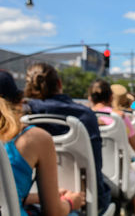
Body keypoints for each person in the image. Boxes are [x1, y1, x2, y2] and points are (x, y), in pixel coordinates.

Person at [23, 63, 111, 214]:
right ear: (59, 84)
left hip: (34, 197)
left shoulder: (24, 115)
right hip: (85, 201)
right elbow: (95, 165)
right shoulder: (86, 115)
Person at [0, 70, 84, 216]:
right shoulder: (33, 138)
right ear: (19, 101)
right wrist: (70, 202)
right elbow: (54, 212)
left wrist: (37, 197)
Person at [88, 79, 135, 216]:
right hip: (119, 179)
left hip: (91, 181)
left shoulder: (84, 117)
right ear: (110, 97)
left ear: (90, 98)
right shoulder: (119, 118)